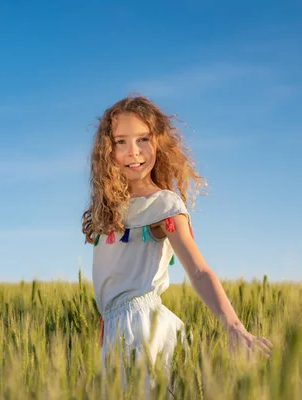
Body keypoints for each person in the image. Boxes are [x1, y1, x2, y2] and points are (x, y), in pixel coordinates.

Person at [81, 95, 272, 389]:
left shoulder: (164, 205)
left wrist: (234, 326)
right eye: (121, 141)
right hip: (115, 329)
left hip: (142, 328)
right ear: (107, 150)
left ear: (158, 142)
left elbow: (198, 271)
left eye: (143, 139)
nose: (134, 152)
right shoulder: (107, 210)